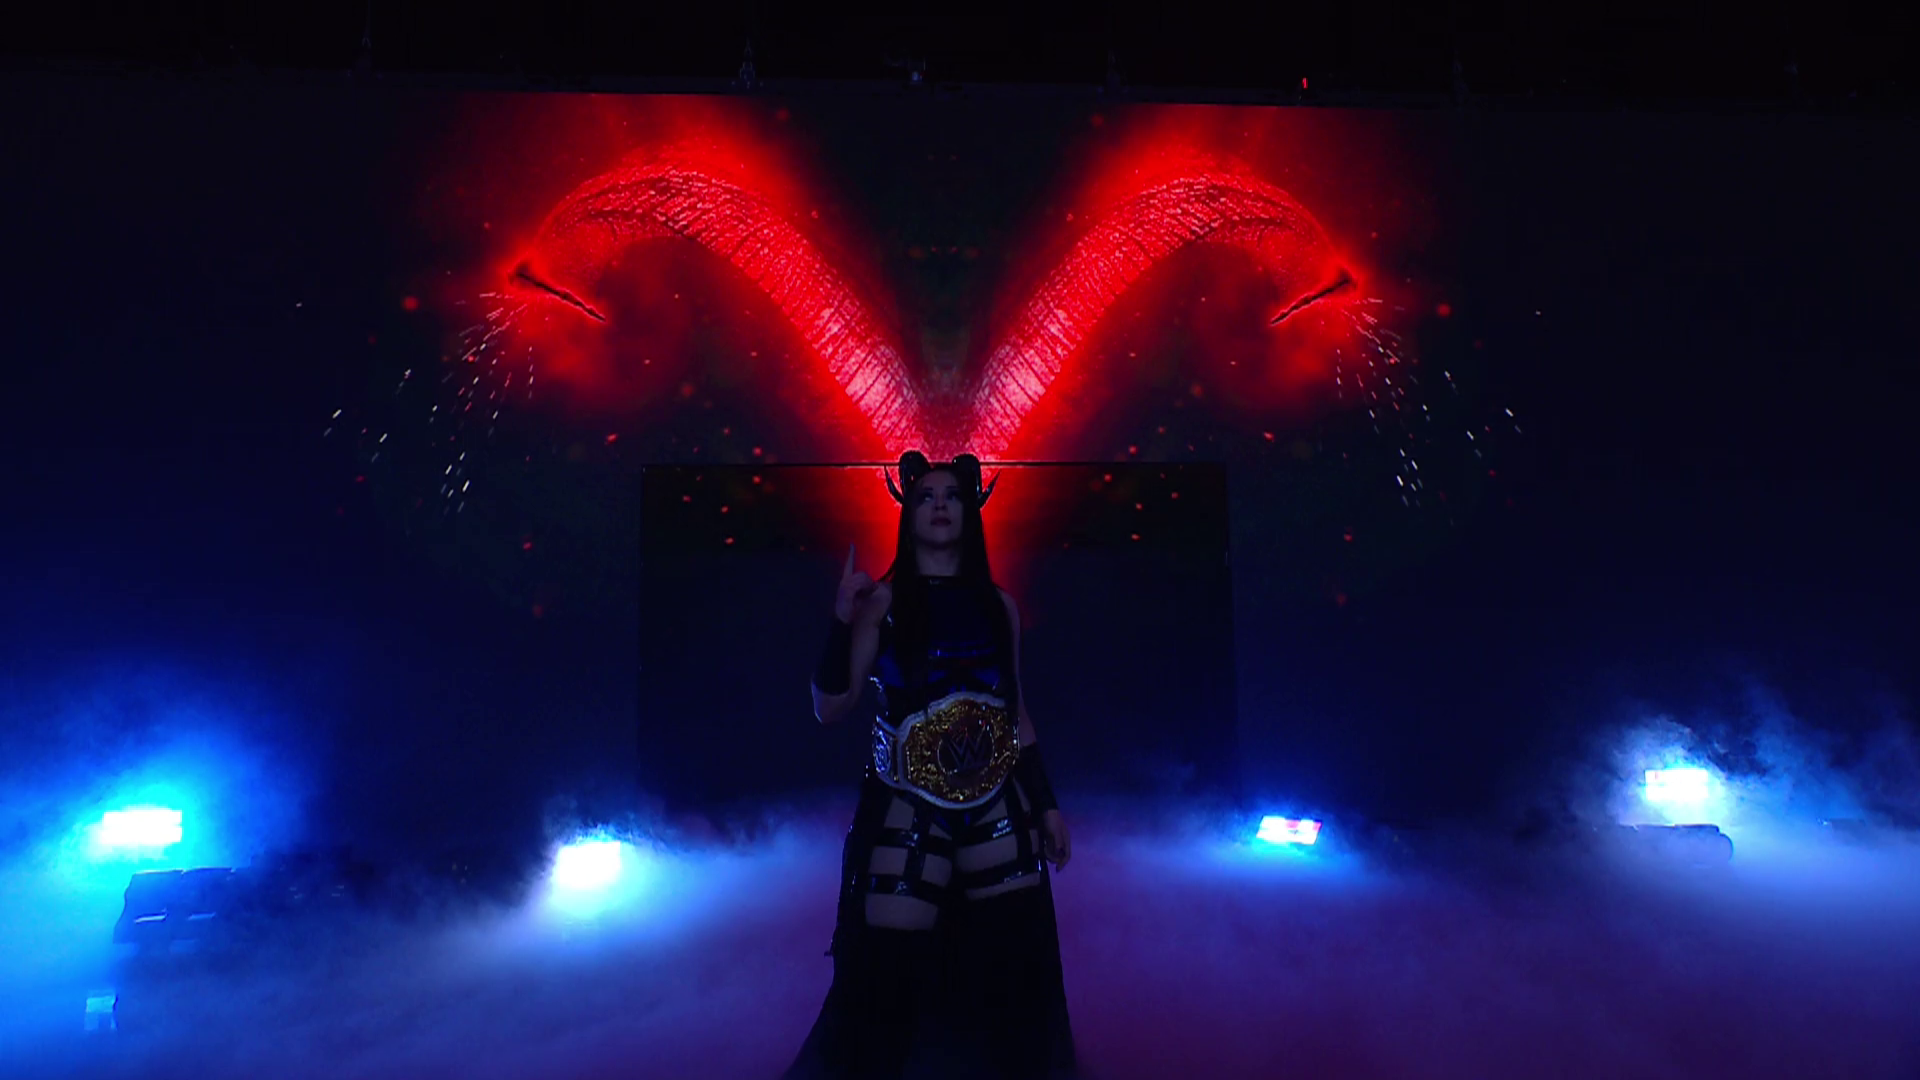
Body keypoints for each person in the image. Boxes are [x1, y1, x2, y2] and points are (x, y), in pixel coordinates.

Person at [784, 452, 1077, 1079]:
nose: (941, 506)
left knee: (1016, 981)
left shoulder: (999, 607)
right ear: (908, 513)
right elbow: (829, 707)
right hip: (907, 804)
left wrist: (1047, 802)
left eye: (952, 496)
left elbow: (1017, 712)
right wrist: (841, 620)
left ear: (970, 512)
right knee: (884, 981)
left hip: (999, 802)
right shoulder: (883, 603)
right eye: (926, 496)